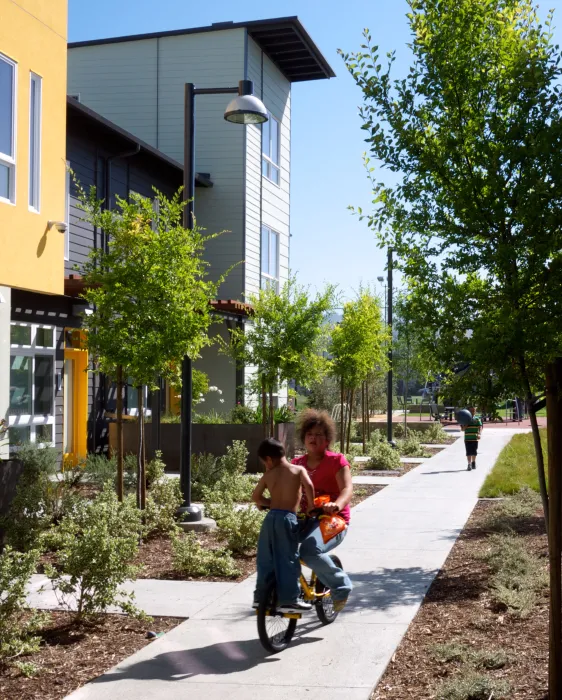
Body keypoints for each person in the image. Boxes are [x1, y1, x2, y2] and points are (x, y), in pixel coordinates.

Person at [292, 409, 353, 613]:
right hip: (304, 518)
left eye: (319, 435)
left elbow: (346, 489)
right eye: (310, 434)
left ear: (327, 439)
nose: (313, 438)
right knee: (276, 544)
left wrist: (337, 504)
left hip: (333, 519)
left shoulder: (336, 461)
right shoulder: (296, 464)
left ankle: (341, 585)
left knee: (309, 551)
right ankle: (288, 590)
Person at [252, 437, 316, 612]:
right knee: (288, 558)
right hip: (287, 518)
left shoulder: (268, 475)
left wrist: (269, 503)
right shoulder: (297, 470)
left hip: (270, 519)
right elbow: (309, 486)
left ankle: (261, 598)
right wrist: (311, 506)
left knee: (266, 559)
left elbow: (256, 497)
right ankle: (289, 599)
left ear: (269, 460)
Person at [462, 406, 482, 471]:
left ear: (475, 411)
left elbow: (480, 427)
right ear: (468, 412)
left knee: (474, 452)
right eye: (471, 411)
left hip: (474, 438)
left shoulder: (477, 419)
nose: (472, 412)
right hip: (467, 438)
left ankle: (473, 462)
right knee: (468, 452)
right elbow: (462, 429)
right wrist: (466, 424)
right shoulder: (465, 419)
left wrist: (479, 433)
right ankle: (469, 464)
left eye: (474, 411)